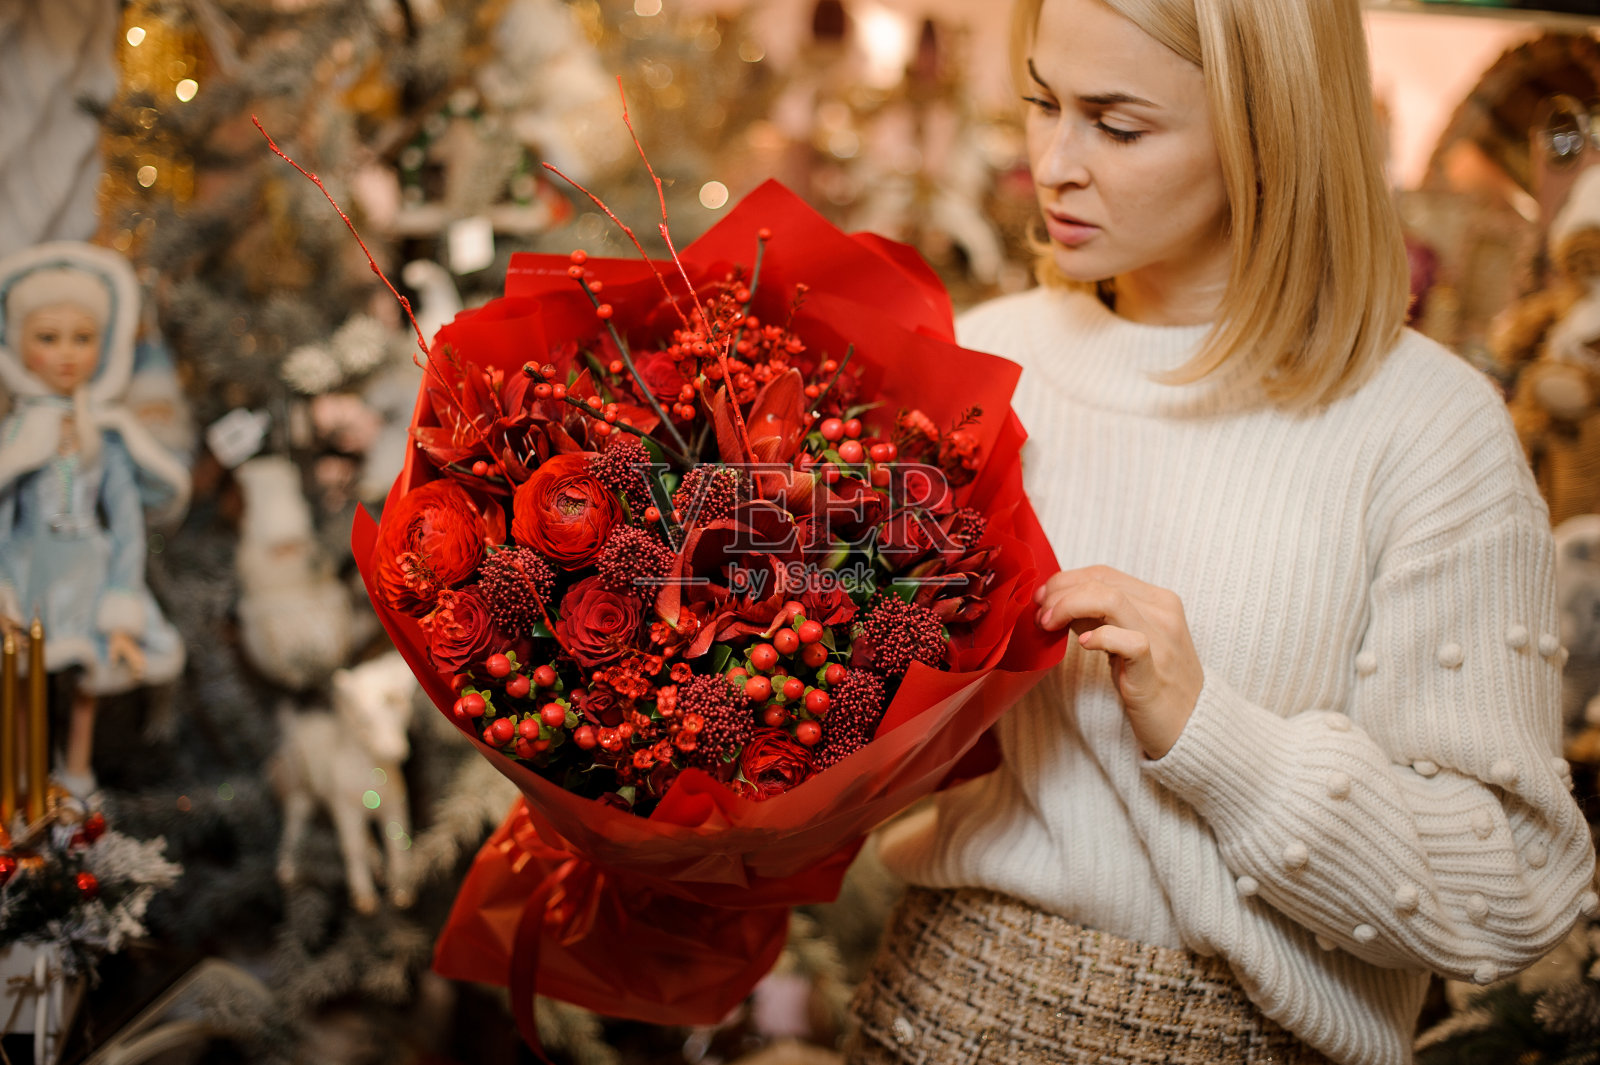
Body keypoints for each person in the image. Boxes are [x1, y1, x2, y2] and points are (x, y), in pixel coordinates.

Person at [849, 0, 1600, 1062]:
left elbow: (1513, 895)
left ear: (1267, 134)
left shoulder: (1423, 428)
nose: (1053, 164)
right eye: (1040, 102)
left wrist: (1213, 737)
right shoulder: (976, 362)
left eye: (1117, 125)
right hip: (929, 1011)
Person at [0, 242, 189, 800]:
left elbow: (127, 523)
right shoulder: (17, 435)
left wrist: (123, 600)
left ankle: (77, 777)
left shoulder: (106, 434)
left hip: (89, 569)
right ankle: (25, 780)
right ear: (18, 346)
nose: (65, 355)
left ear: (104, 349)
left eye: (82, 339)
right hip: (32, 569)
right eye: (47, 338)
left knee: (88, 680)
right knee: (26, 676)